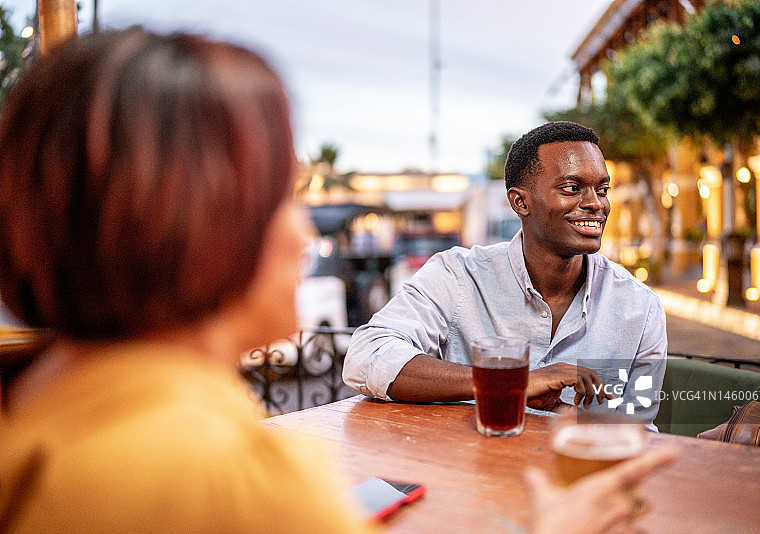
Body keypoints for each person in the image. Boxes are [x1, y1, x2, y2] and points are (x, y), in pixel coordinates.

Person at [0, 30, 673, 533]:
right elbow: (368, 359)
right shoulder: (227, 476)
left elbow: (631, 425)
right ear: (187, 227)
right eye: (279, 202)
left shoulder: (44, 408)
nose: (303, 237)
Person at [343, 121, 668, 428]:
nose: (596, 204)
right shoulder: (458, 276)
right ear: (520, 202)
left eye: (603, 189)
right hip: (468, 475)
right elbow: (365, 355)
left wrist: (578, 420)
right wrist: (508, 382)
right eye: (572, 188)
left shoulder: (639, 309)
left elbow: (639, 428)